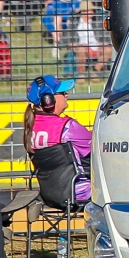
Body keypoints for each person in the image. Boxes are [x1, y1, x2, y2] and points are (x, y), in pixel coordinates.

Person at [23, 75, 91, 203]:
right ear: (48, 100)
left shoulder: (30, 128)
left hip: (50, 196)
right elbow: (99, 148)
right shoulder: (68, 127)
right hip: (81, 193)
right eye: (62, 93)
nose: (66, 95)